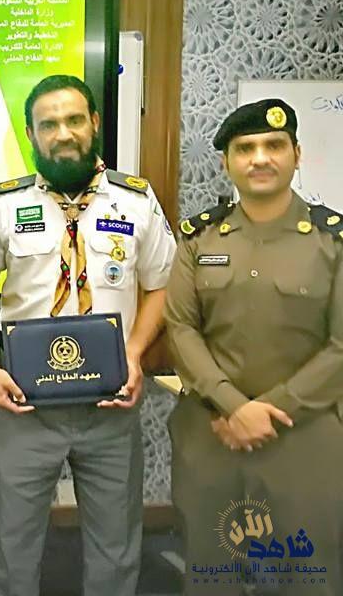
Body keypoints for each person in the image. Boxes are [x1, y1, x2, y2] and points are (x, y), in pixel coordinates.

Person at [0, 74, 176, 595]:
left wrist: (134, 355)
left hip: (110, 404)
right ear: (31, 134)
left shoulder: (135, 200)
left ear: (95, 124)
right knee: (15, 545)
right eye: (49, 124)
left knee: (116, 545)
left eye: (74, 120)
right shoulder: (4, 205)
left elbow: (161, 286)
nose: (63, 133)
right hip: (25, 406)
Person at [165, 98, 343, 595]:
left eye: (274, 146)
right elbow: (180, 327)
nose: (260, 158)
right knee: (210, 572)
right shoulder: (199, 237)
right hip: (212, 433)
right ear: (226, 162)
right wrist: (233, 406)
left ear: (297, 155)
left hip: (305, 436)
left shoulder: (332, 241)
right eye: (245, 148)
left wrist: (267, 411)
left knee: (310, 575)